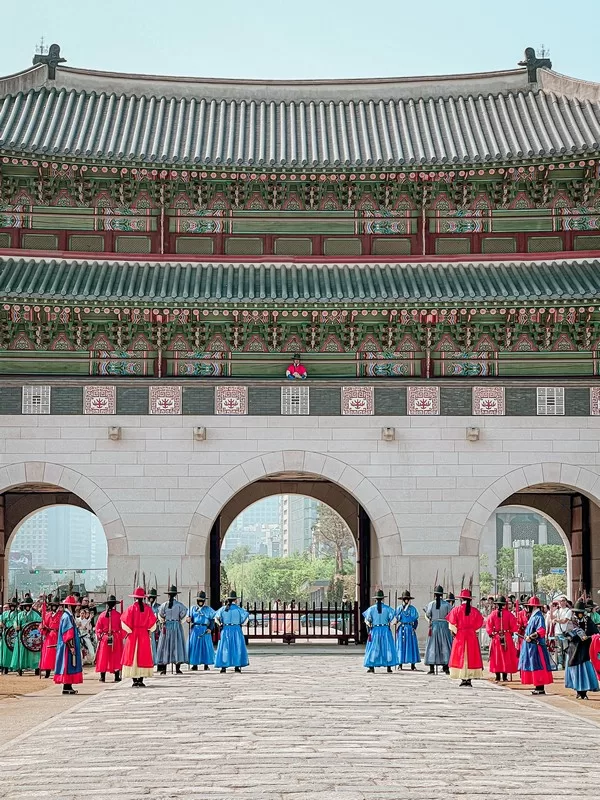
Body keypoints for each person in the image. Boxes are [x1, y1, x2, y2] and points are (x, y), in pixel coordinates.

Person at [446, 588, 484, 687]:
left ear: (461, 599)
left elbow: (451, 625)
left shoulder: (456, 610)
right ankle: (469, 679)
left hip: (460, 636)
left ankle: (463, 678)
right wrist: (474, 631)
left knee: (461, 656)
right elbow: (479, 624)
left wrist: (455, 633)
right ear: (470, 599)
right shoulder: (475, 611)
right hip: (471, 636)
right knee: (471, 656)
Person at [121, 587, 157, 688]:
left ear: (135, 597)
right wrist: (148, 629)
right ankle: (141, 680)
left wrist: (129, 631)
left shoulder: (131, 608)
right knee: (143, 656)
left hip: (133, 635)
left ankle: (134, 680)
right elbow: (153, 625)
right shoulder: (148, 609)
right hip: (144, 635)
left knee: (133, 656)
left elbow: (124, 623)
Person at [518, 596, 554, 695]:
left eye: (528, 606)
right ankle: (538, 686)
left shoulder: (538, 617)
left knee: (538, 665)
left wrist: (531, 636)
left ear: (533, 606)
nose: (527, 608)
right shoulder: (534, 616)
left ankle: (540, 687)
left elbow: (541, 630)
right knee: (534, 665)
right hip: (531, 646)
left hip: (536, 646)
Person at [564, 601, 599, 700]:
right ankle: (579, 692)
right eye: (577, 612)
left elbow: (596, 633)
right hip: (574, 649)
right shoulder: (571, 621)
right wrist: (575, 636)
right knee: (575, 671)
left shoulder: (588, 620)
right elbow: (567, 633)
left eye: (581, 612)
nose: (579, 614)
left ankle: (584, 692)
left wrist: (588, 637)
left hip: (585, 650)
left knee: (585, 671)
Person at [362, 589, 398, 674]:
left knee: (373, 647)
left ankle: (371, 666)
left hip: (375, 630)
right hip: (385, 629)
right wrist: (389, 624)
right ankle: (389, 666)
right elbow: (395, 620)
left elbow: (366, 620)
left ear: (375, 599)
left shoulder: (371, 609)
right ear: (382, 599)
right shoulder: (388, 609)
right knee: (387, 647)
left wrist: (370, 625)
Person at [54, 596, 83, 695]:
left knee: (68, 665)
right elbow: (68, 634)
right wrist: (71, 647)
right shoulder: (67, 617)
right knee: (68, 665)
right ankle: (66, 686)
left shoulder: (68, 616)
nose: (76, 608)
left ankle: (68, 686)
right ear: (70, 606)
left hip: (67, 645)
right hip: (67, 647)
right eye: (74, 606)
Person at [214, 591, 249, 673]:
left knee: (225, 648)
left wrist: (220, 624)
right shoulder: (239, 609)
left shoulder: (223, 609)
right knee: (237, 647)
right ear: (235, 600)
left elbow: (216, 619)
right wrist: (240, 623)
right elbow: (245, 620)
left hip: (226, 629)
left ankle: (223, 667)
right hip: (236, 629)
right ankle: (237, 666)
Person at [486, 596, 519, 682]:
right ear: (504, 604)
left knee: (496, 657)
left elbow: (488, 625)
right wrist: (510, 631)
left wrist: (491, 633)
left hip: (496, 637)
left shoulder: (493, 614)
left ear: (497, 604)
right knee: (506, 656)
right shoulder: (509, 614)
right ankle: (504, 676)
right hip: (506, 637)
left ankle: (497, 676)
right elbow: (514, 626)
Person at [156, 585, 188, 675]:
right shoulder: (180, 605)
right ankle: (177, 668)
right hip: (176, 626)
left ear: (168, 595)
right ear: (175, 595)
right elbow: (183, 616)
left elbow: (160, 617)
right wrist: (179, 622)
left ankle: (164, 669)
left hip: (167, 626)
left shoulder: (163, 605)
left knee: (165, 646)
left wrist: (164, 621)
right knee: (177, 645)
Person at [95, 595, 124, 683]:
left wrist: (100, 636)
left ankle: (102, 676)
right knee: (116, 656)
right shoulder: (119, 615)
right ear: (114, 604)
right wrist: (120, 636)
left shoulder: (102, 615)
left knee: (103, 657)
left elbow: (98, 628)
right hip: (116, 638)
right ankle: (116, 676)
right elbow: (123, 628)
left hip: (104, 637)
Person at [424, 585, 452, 675]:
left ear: (435, 595)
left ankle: (432, 668)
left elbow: (428, 614)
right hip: (444, 626)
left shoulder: (431, 604)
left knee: (432, 646)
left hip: (435, 626)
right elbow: (450, 615)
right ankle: (446, 668)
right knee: (445, 645)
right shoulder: (447, 605)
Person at [11, 594, 42, 676]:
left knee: (34, 652)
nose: (27, 607)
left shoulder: (35, 614)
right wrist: (16, 626)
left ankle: (36, 667)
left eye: (28, 605)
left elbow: (39, 623)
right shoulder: (20, 615)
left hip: (31, 636)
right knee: (20, 651)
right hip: (21, 635)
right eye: (25, 605)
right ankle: (20, 667)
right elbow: (15, 621)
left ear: (31, 606)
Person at [187, 591, 216, 671]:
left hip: (205, 629)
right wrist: (188, 619)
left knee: (205, 647)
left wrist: (210, 628)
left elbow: (212, 619)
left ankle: (206, 664)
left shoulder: (208, 609)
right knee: (194, 647)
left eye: (202, 600)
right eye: (199, 600)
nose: (200, 601)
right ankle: (194, 664)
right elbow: (188, 618)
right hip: (195, 629)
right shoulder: (192, 609)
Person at [395, 590, 420, 671]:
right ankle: (400, 664)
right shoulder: (399, 608)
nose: (406, 600)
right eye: (405, 599)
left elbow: (416, 620)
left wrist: (414, 627)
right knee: (400, 646)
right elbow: (396, 619)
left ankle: (413, 664)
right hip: (402, 628)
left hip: (410, 629)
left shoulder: (412, 609)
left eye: (407, 599)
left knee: (411, 645)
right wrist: (395, 621)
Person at [39, 595, 62, 679]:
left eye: (55, 605)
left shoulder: (61, 615)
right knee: (48, 654)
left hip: (58, 635)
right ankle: (47, 671)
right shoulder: (48, 615)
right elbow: (43, 624)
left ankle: (59, 671)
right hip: (49, 636)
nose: (53, 607)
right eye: (52, 605)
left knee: (58, 654)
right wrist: (43, 627)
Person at [553, 596, 573, 669]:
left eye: (563, 600)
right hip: (557, 632)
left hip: (564, 632)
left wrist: (556, 620)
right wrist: (551, 609)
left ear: (566, 602)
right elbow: (551, 617)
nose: (561, 602)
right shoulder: (557, 610)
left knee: (565, 648)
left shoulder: (568, 611)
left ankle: (566, 663)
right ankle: (560, 664)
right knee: (559, 649)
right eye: (560, 601)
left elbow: (564, 621)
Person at [0, 598, 19, 674]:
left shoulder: (19, 613)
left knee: (14, 649)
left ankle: (14, 666)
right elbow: (0, 621)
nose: (12, 606)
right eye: (11, 604)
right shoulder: (5, 613)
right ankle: (5, 666)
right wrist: (3, 626)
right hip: (6, 632)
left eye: (13, 604)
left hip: (15, 633)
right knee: (5, 650)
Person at [147, 587, 161, 665]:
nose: (151, 598)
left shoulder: (159, 607)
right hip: (147, 629)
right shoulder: (145, 606)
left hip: (156, 628)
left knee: (157, 644)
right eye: (150, 596)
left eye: (153, 596)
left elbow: (161, 616)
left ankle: (157, 661)